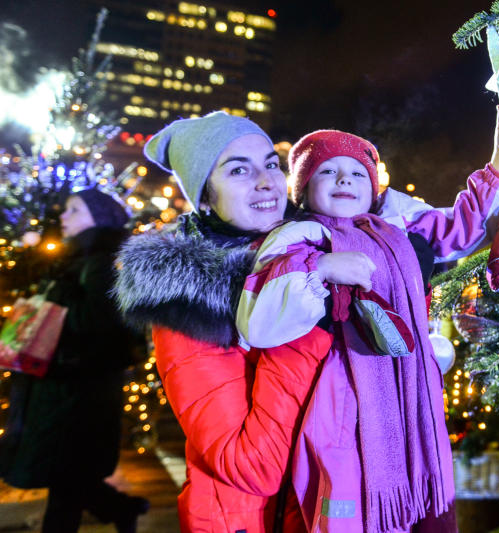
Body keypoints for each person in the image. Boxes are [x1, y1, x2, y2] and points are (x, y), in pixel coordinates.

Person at [235, 102, 499, 532]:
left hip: (408, 383)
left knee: (412, 470)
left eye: (355, 173)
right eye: (327, 172)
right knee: (345, 482)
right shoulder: (299, 235)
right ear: (302, 188)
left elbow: (459, 229)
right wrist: (322, 268)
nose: (343, 180)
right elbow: (259, 319)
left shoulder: (395, 227)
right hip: (338, 386)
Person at [113, 111, 377, 533]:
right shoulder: (190, 303)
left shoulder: (311, 249)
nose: (266, 181)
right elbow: (251, 467)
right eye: (239, 170)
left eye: (272, 163)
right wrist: (308, 314)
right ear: (204, 197)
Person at [0, 189, 150, 533]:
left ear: (97, 218)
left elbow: (99, 324)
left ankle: (120, 508)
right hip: (64, 388)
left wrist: (61, 296)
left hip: (80, 391)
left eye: (74, 209)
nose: (63, 216)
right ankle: (121, 508)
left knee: (66, 482)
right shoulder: (78, 259)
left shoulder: (100, 262)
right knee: (69, 477)